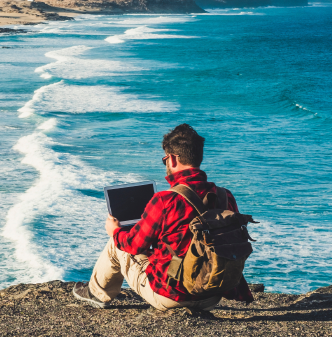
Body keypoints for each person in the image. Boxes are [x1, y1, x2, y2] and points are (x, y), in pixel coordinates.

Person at [73, 123, 253, 310]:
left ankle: (96, 293)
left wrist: (115, 231)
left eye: (164, 159)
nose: (166, 164)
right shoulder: (225, 196)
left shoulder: (165, 200)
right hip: (212, 295)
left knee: (116, 244)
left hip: (173, 297)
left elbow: (134, 245)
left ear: (173, 159)